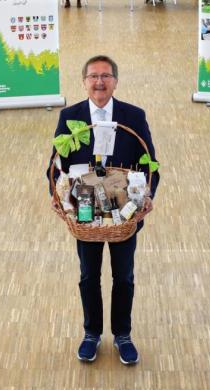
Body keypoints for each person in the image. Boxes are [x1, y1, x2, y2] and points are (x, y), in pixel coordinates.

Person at [47, 55, 160, 366]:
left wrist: (147, 195)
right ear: (84, 82)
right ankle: (91, 333)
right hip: (85, 211)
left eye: (106, 76)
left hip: (124, 211)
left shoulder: (133, 116)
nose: (99, 82)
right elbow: (56, 167)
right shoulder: (70, 116)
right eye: (93, 76)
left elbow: (151, 163)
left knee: (124, 276)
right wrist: (58, 198)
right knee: (88, 275)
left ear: (115, 81)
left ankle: (123, 335)